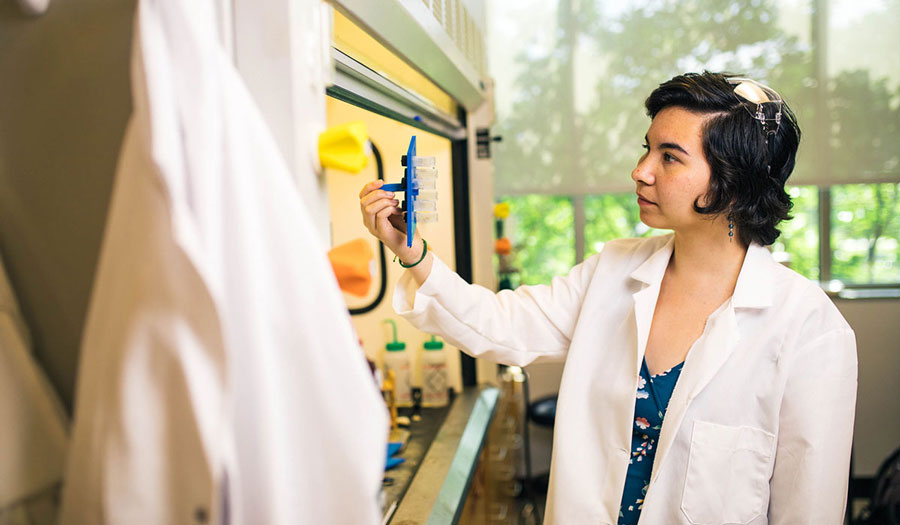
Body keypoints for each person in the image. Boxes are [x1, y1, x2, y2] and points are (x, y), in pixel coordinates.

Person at [359, 71, 857, 524]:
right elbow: (500, 325)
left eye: (669, 157)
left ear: (734, 179)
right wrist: (413, 253)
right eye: (647, 150)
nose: (641, 171)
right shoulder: (614, 271)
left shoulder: (809, 330)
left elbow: (808, 510)